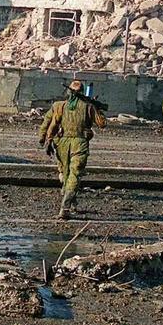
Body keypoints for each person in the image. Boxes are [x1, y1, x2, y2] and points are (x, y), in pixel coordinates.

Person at [38, 80, 107, 220]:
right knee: (74, 174)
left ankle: (70, 200)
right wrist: (96, 107)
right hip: (79, 144)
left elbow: (51, 123)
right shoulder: (88, 106)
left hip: (62, 143)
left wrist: (45, 139)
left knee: (66, 173)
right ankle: (66, 206)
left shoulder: (60, 106)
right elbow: (102, 123)